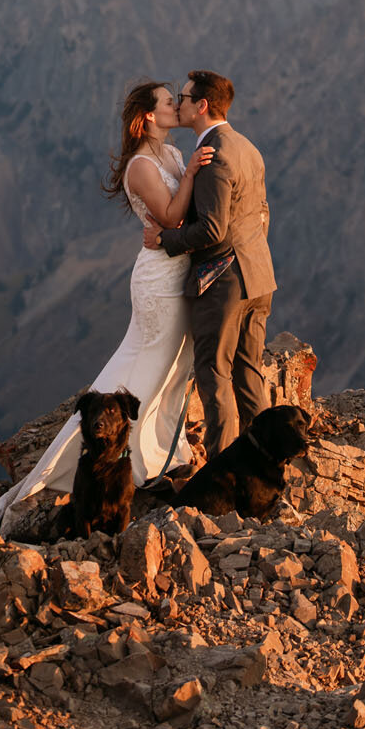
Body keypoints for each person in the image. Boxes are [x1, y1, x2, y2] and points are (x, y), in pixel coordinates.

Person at [0, 79, 212, 534]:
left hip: (180, 267)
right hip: (159, 278)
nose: (177, 105)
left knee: (175, 363)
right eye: (168, 101)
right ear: (148, 116)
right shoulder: (142, 165)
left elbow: (188, 217)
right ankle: (110, 454)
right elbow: (173, 217)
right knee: (148, 363)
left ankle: (158, 453)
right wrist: (194, 174)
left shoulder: (173, 155)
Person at [143, 68, 275, 456]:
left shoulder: (215, 155)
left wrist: (164, 239)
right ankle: (265, 461)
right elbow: (263, 211)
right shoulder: (247, 147)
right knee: (249, 373)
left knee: (214, 373)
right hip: (260, 277)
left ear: (201, 106)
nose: (178, 104)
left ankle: (223, 468)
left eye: (182, 99)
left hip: (223, 282)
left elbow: (213, 230)